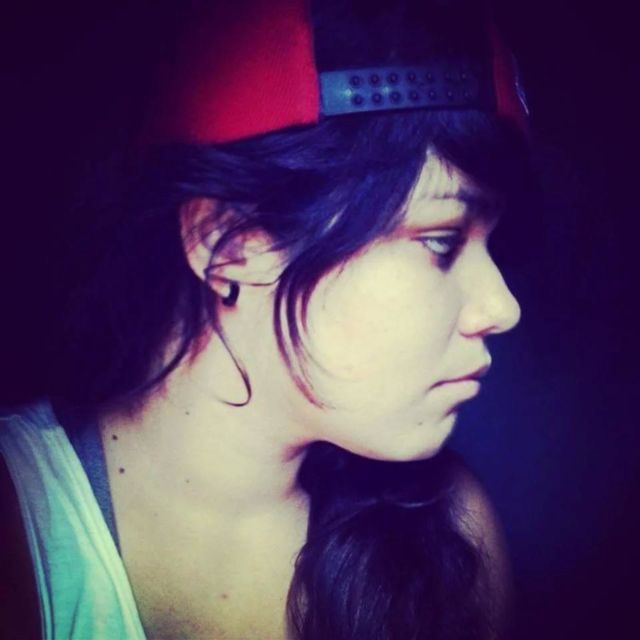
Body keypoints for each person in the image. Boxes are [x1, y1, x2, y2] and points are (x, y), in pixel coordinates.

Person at [0, 0, 535, 638]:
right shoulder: (23, 525)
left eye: (490, 244)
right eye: (441, 241)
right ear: (228, 243)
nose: (502, 308)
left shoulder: (448, 533)